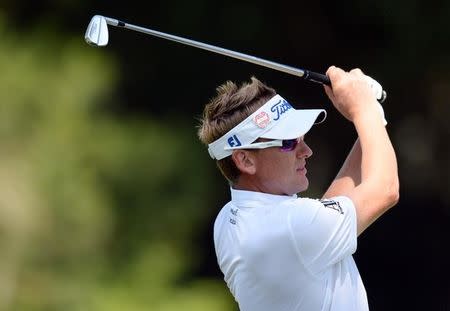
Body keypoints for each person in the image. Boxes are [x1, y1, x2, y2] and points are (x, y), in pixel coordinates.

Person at [197, 66, 399, 311]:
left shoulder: (230, 219)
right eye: (289, 143)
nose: (306, 152)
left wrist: (372, 116)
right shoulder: (289, 226)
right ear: (245, 160)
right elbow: (385, 190)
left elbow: (327, 214)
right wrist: (363, 110)